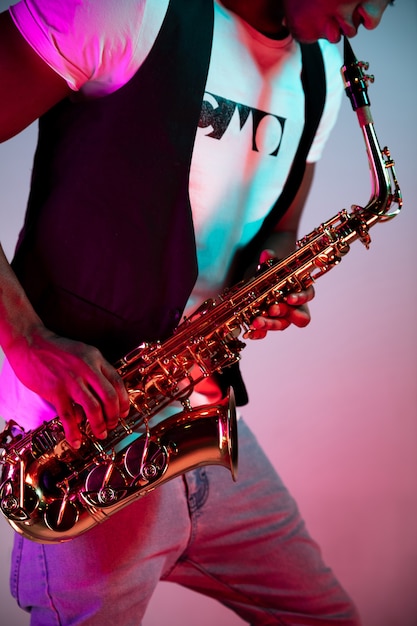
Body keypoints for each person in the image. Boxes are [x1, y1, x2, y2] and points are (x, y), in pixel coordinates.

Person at [0, 1, 391, 624]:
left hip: (198, 411)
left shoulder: (320, 78)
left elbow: (281, 227)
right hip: (83, 434)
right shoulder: (125, 9)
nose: (372, 17)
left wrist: (272, 273)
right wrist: (25, 339)